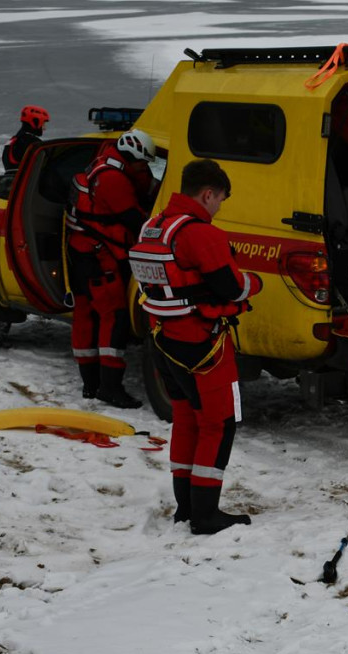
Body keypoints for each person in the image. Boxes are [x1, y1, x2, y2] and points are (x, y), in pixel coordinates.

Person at [129, 159, 263, 536]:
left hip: (162, 340)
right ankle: (206, 516)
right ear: (207, 194)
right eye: (219, 199)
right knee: (219, 425)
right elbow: (231, 287)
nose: (219, 207)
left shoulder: (153, 227)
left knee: (187, 418)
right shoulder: (201, 234)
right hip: (203, 345)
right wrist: (254, 283)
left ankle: (186, 508)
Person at [66, 128, 157, 408]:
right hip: (100, 257)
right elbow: (135, 220)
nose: (144, 168)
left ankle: (91, 384)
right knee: (114, 318)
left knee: (85, 316)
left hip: (82, 253)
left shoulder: (103, 164)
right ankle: (109, 387)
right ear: (130, 157)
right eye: (142, 163)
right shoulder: (113, 179)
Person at [2, 105, 49, 171]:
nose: (44, 128)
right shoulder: (34, 143)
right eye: (43, 124)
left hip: (13, 176)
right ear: (35, 122)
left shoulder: (12, 141)